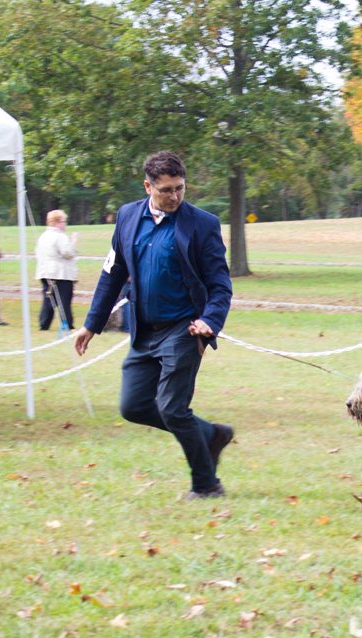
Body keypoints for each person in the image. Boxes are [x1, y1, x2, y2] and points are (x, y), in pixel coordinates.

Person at [75, 151, 234, 499]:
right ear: (148, 186)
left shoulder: (203, 224)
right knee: (133, 407)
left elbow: (220, 284)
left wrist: (210, 320)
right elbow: (112, 273)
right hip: (144, 330)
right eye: (165, 190)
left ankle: (207, 485)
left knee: (174, 409)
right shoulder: (128, 217)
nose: (174, 196)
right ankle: (209, 434)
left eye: (179, 188)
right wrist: (92, 323)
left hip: (184, 329)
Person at [35, 209, 79, 331]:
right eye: (63, 222)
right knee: (64, 300)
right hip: (61, 274)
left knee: (48, 299)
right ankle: (67, 323)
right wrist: (74, 241)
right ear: (56, 222)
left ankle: (44, 323)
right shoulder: (60, 237)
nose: (65, 224)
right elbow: (68, 252)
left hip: (45, 272)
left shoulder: (43, 236)